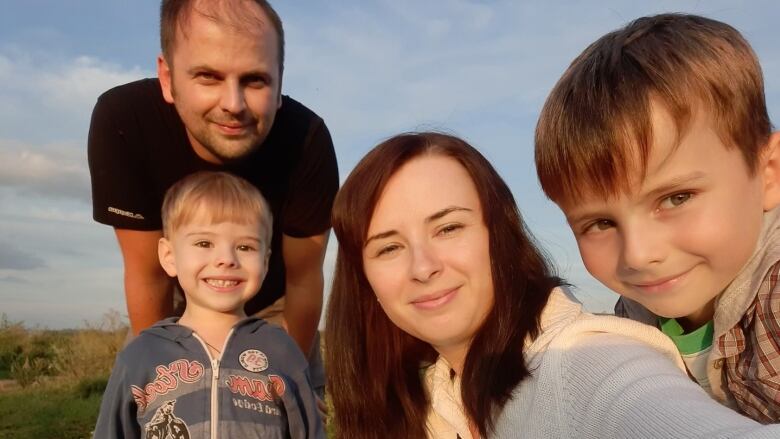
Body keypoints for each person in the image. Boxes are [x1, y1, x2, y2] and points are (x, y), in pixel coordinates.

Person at [324, 132, 780, 438]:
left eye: (449, 229)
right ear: (363, 279)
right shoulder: (434, 394)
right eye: (388, 247)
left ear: (498, 236)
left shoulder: (582, 363)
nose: (422, 267)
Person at [535, 13, 780, 423]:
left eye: (676, 197)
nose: (639, 254)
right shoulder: (633, 316)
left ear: (769, 172)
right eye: (600, 223)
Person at [87, 0, 337, 396]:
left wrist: (290, 378)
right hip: (178, 297)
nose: (233, 104)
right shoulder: (124, 121)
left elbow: (305, 281)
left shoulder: (308, 142)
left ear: (280, 82)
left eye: (255, 80)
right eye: (208, 77)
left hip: (273, 305)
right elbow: (148, 274)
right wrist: (160, 382)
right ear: (167, 78)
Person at [93, 171, 324, 438]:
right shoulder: (140, 355)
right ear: (169, 256)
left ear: (265, 261)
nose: (226, 259)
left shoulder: (283, 351)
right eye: (204, 243)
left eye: (245, 247)